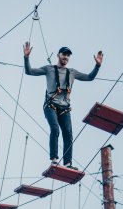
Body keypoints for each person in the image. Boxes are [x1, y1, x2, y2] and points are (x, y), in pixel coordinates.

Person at [23, 41, 103, 169]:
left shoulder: (72, 72)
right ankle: (54, 159)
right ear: (58, 55)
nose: (66, 57)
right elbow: (29, 71)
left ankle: (67, 163)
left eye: (68, 55)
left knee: (68, 134)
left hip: (64, 108)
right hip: (51, 106)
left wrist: (97, 66)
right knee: (55, 129)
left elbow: (89, 77)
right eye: (64, 54)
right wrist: (26, 57)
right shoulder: (48, 69)